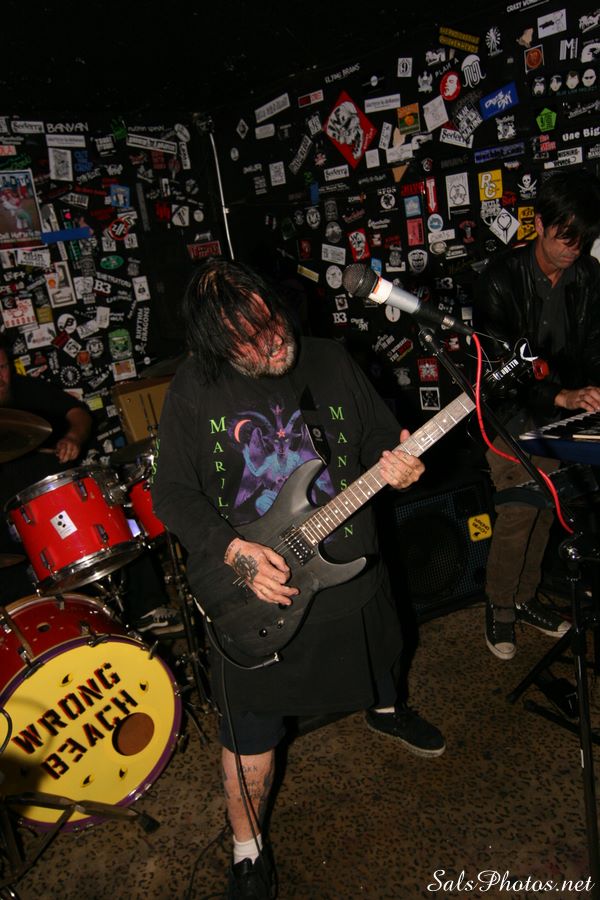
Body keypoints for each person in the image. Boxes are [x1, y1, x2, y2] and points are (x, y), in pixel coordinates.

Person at [151, 259, 442, 900]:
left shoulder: (330, 358)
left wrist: (397, 465)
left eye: (271, 322)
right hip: (258, 589)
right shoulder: (195, 388)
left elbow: (375, 438)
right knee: (250, 727)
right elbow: (170, 492)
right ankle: (247, 850)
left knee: (383, 650)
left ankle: (387, 710)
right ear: (216, 345)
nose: (273, 341)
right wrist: (235, 552)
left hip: (349, 564)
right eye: (249, 339)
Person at [474, 169, 600, 660]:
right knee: (519, 508)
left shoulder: (588, 275)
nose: (574, 249)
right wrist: (560, 396)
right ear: (540, 224)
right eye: (566, 236)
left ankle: (524, 598)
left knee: (548, 507)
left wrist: (589, 391)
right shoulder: (500, 279)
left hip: (561, 411)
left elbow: (594, 345)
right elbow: (503, 368)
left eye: (583, 239)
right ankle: (500, 605)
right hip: (508, 409)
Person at [0, 334, 180, 635]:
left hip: (52, 500)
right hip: (8, 525)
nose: (1, 378)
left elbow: (78, 414)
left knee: (107, 514)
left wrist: (73, 437)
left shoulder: (26, 390)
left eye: (3, 367)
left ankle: (147, 609)